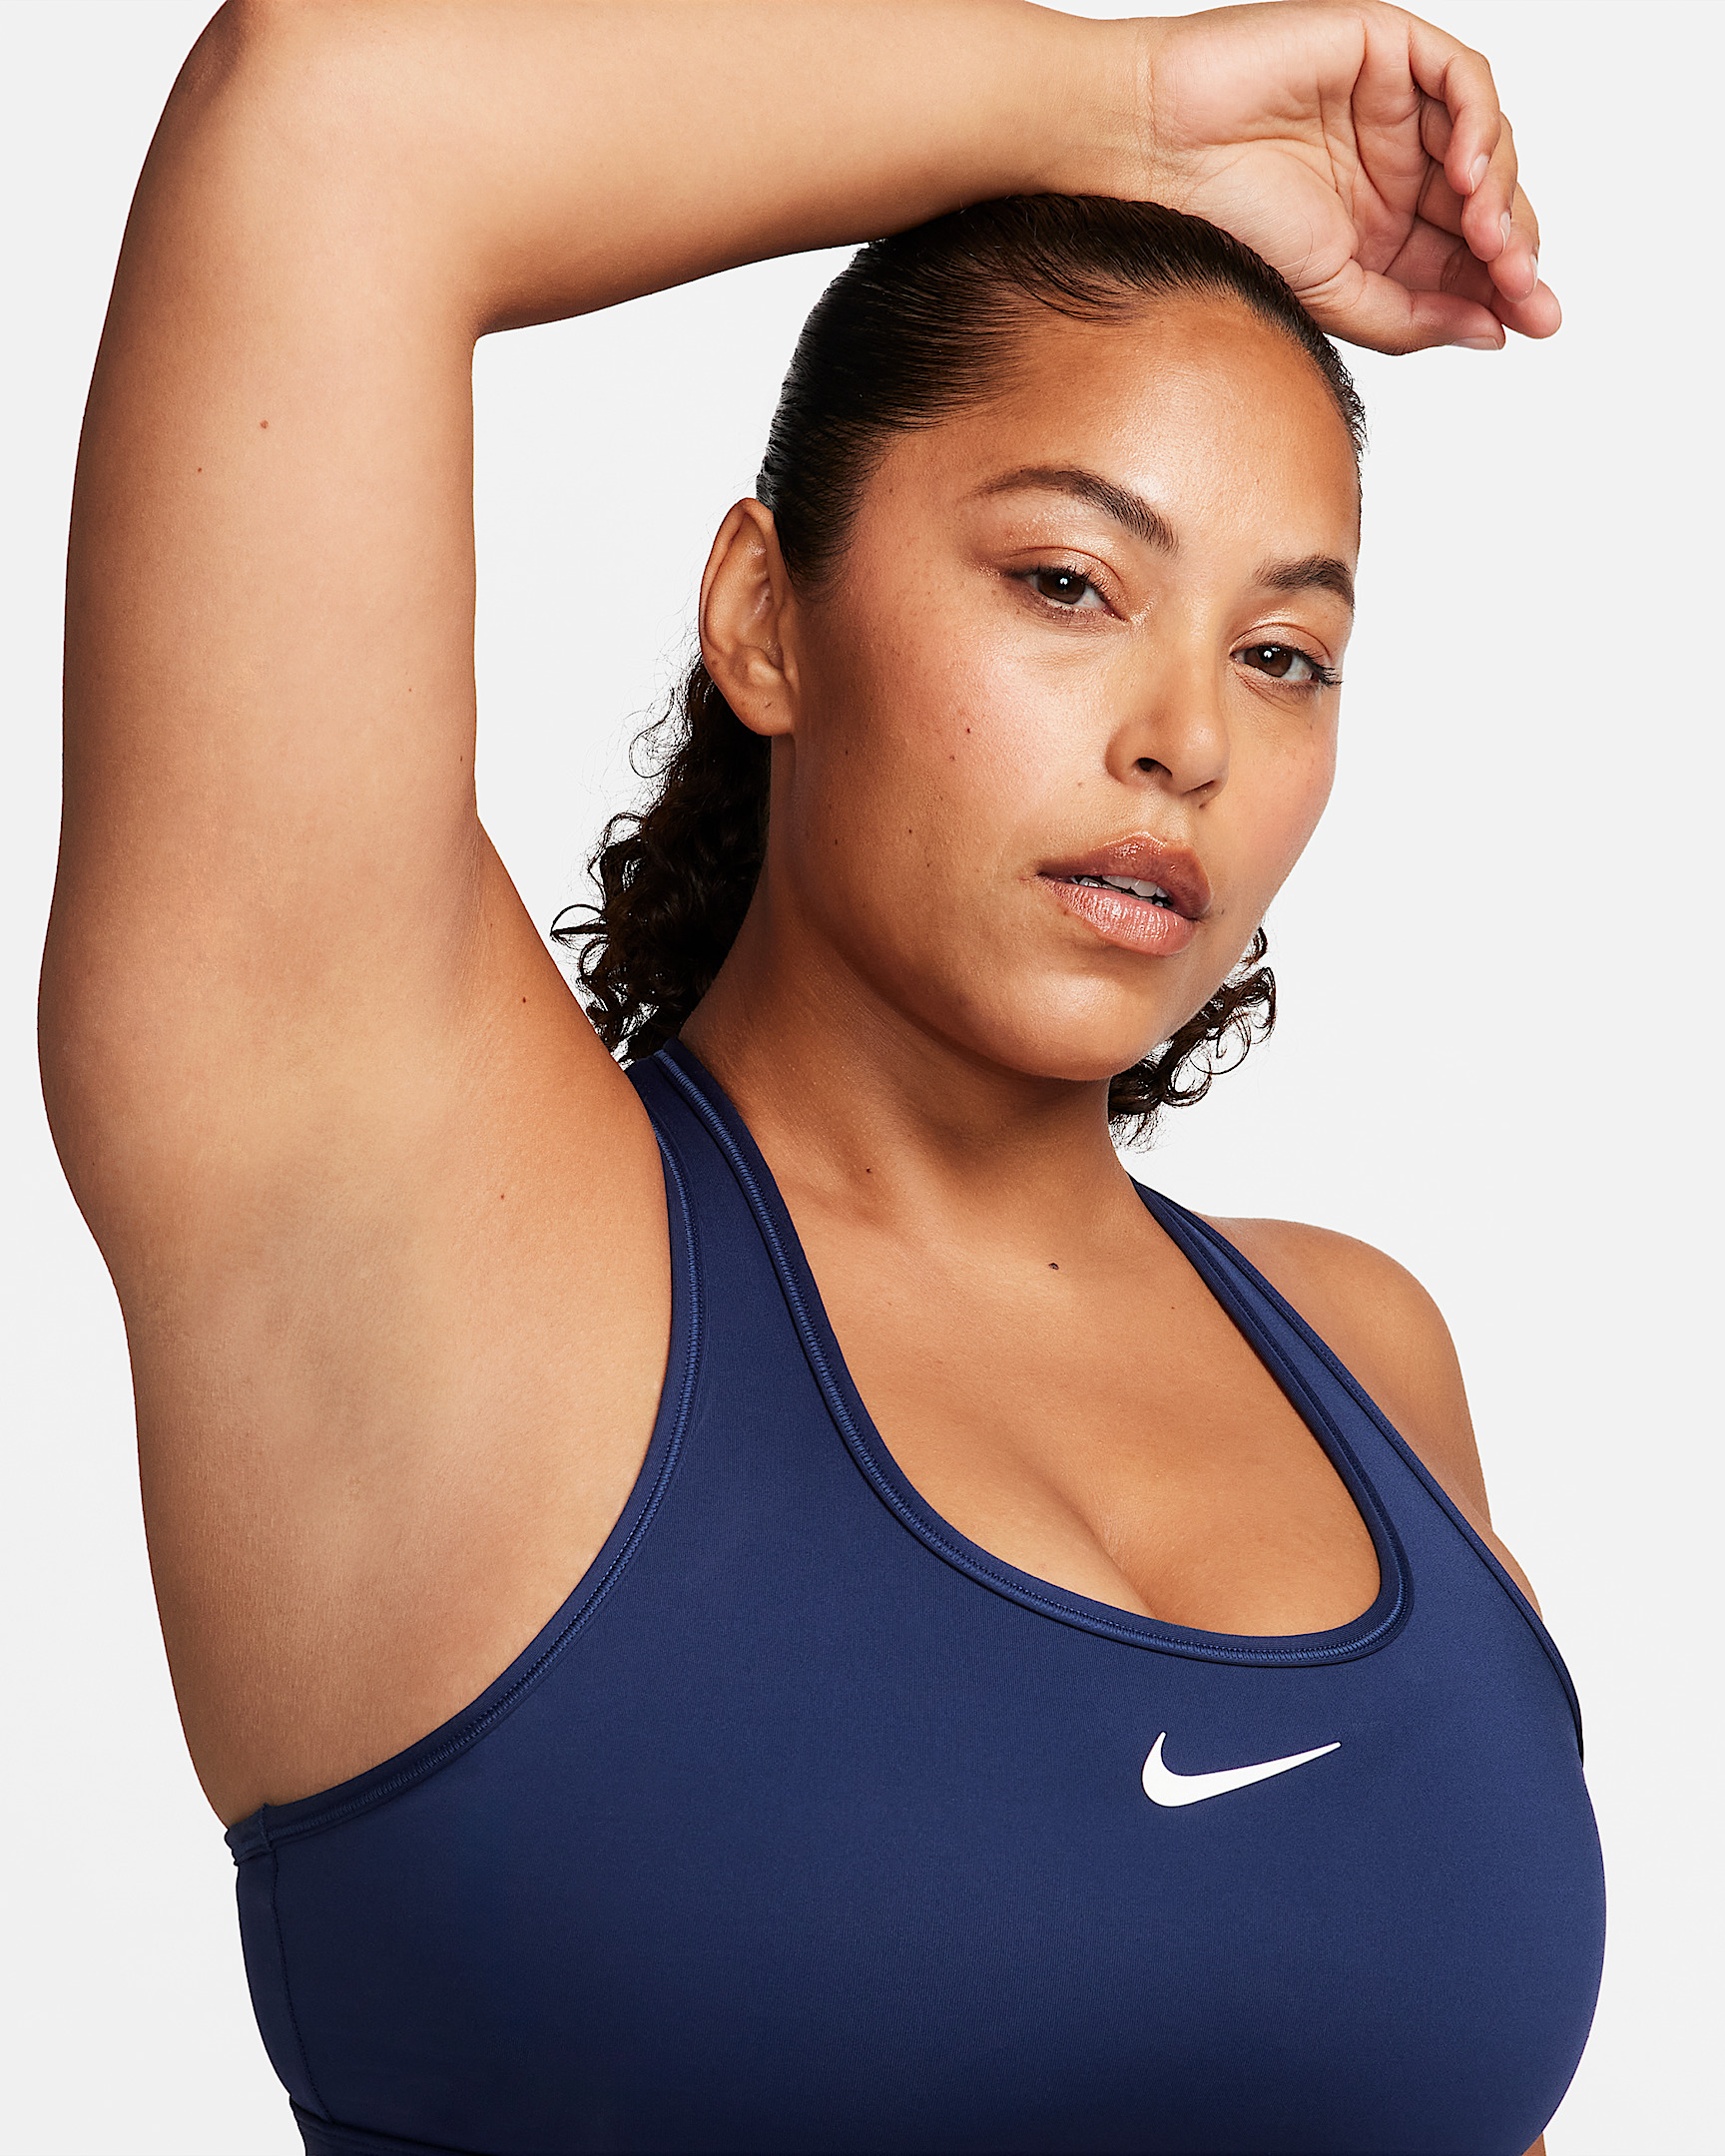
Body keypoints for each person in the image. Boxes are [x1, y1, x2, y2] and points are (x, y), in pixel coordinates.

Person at [40, 2, 1602, 2150]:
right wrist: (1128, 113)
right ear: (766, 617)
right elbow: (333, 116)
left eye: (1282, 653)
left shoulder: (1370, 1366)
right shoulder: (429, 1244)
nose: (1188, 740)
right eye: (1067, 582)